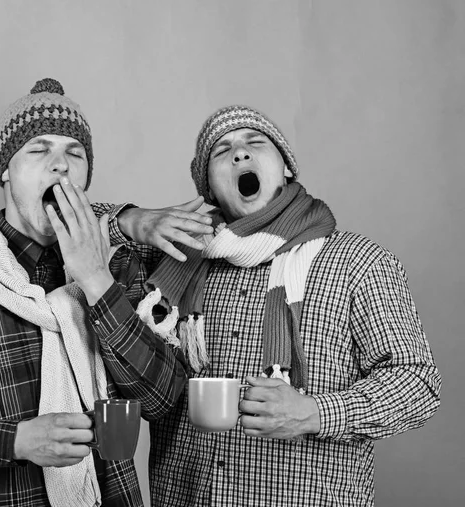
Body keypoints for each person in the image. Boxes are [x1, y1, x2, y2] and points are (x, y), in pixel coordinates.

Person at [0, 78, 213, 507]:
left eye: (74, 153)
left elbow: (163, 399)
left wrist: (96, 283)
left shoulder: (115, 270)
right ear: (5, 169)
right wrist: (15, 440)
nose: (61, 165)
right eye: (39, 150)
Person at [108, 105, 442, 506]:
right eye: (222, 150)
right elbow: (57, 225)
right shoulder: (174, 259)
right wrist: (131, 220)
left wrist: (315, 413)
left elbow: (418, 383)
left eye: (256, 142)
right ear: (209, 188)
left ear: (286, 167)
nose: (240, 154)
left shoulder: (359, 263)